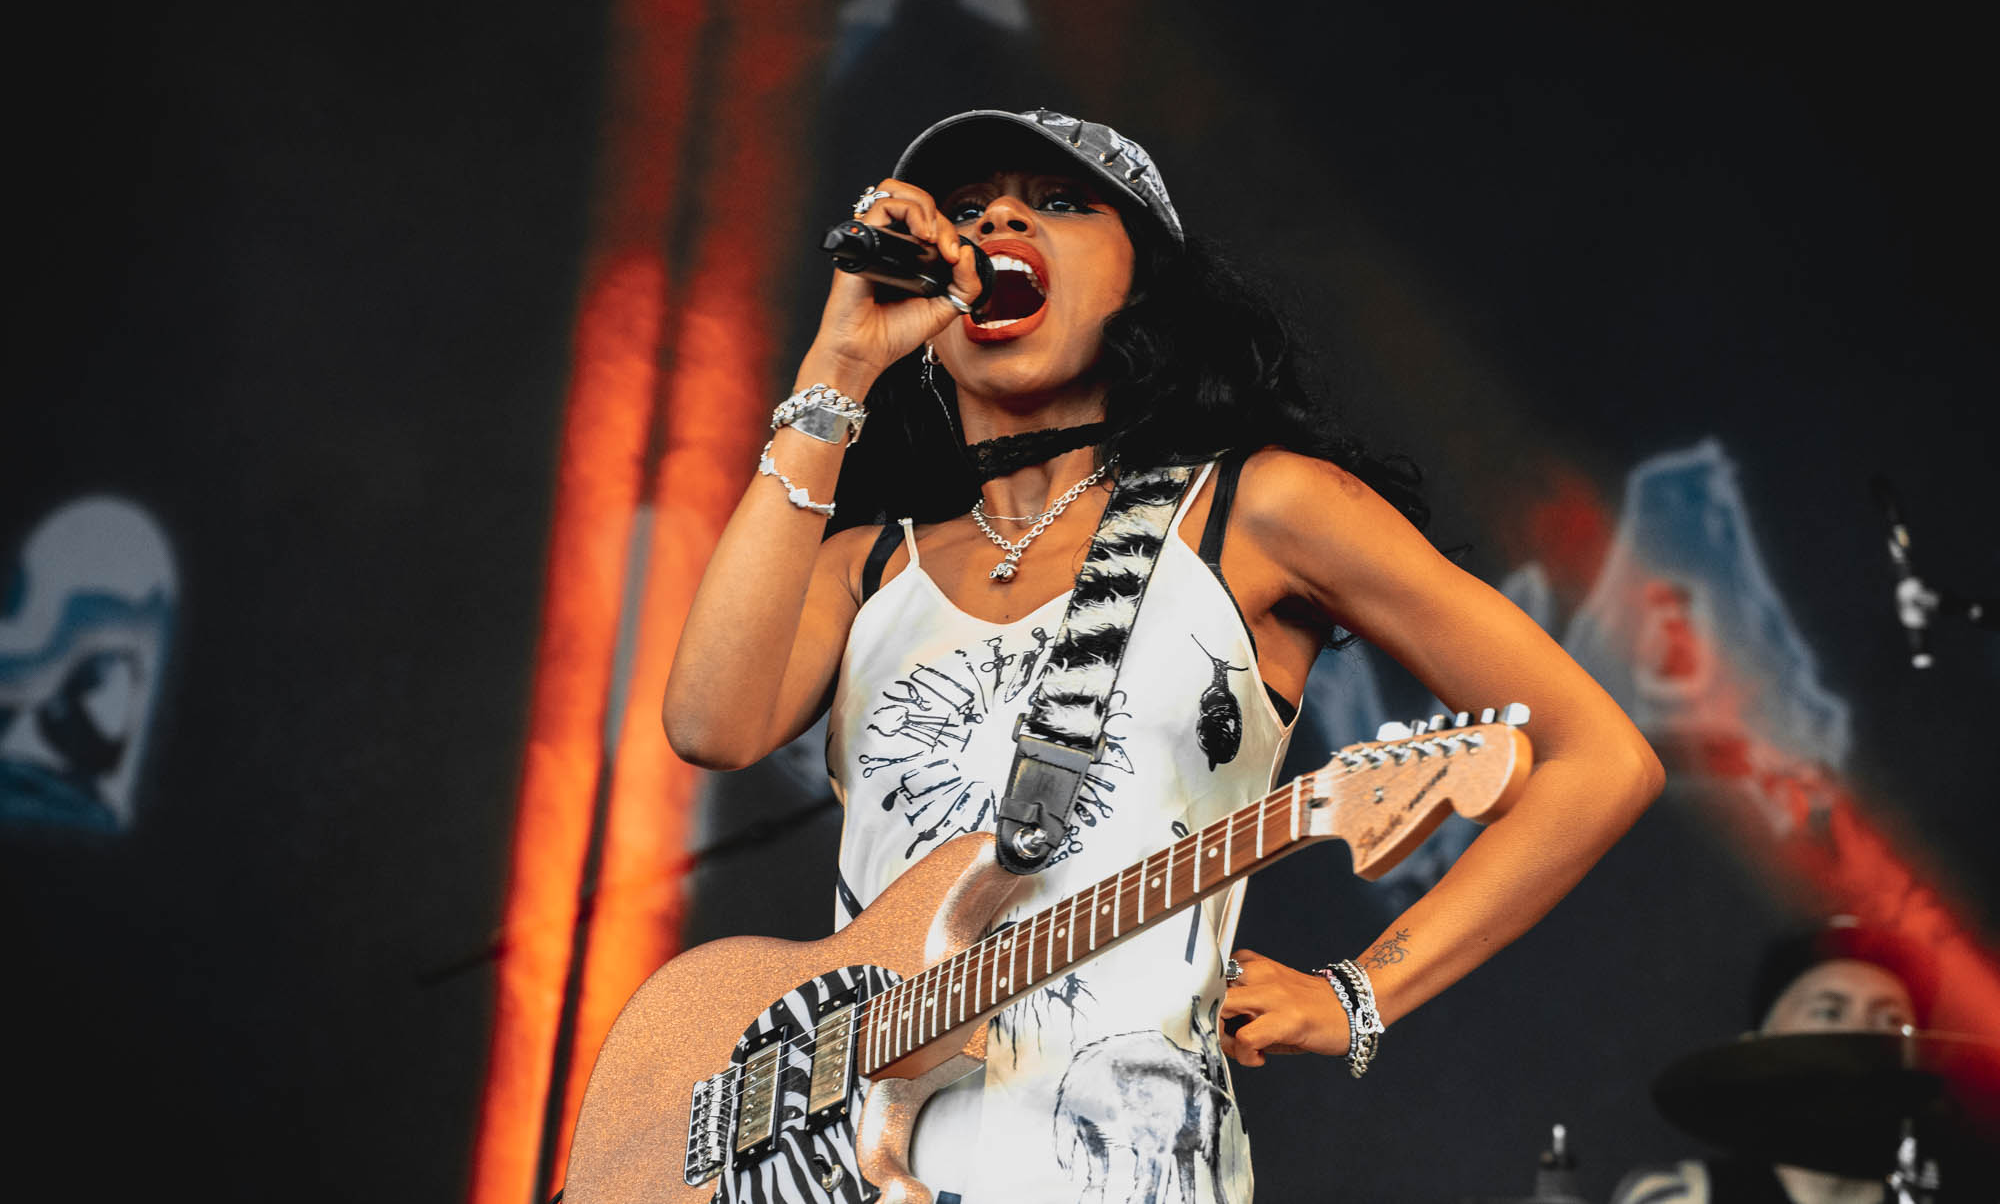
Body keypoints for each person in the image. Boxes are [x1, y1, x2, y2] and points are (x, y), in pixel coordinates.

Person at [663, 108, 1662, 1202]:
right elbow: (709, 723)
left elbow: (1601, 756)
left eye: (1057, 203)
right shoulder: (863, 566)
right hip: (851, 1174)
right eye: (967, 210)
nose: (997, 222)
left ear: (1144, 284)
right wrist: (839, 364)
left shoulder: (1258, 511)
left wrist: (1357, 996)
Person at [1610, 921, 1933, 1204]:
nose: (1860, 1035)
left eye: (1890, 1020)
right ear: (1756, 1051)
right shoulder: (1683, 1196)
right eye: (1829, 1012)